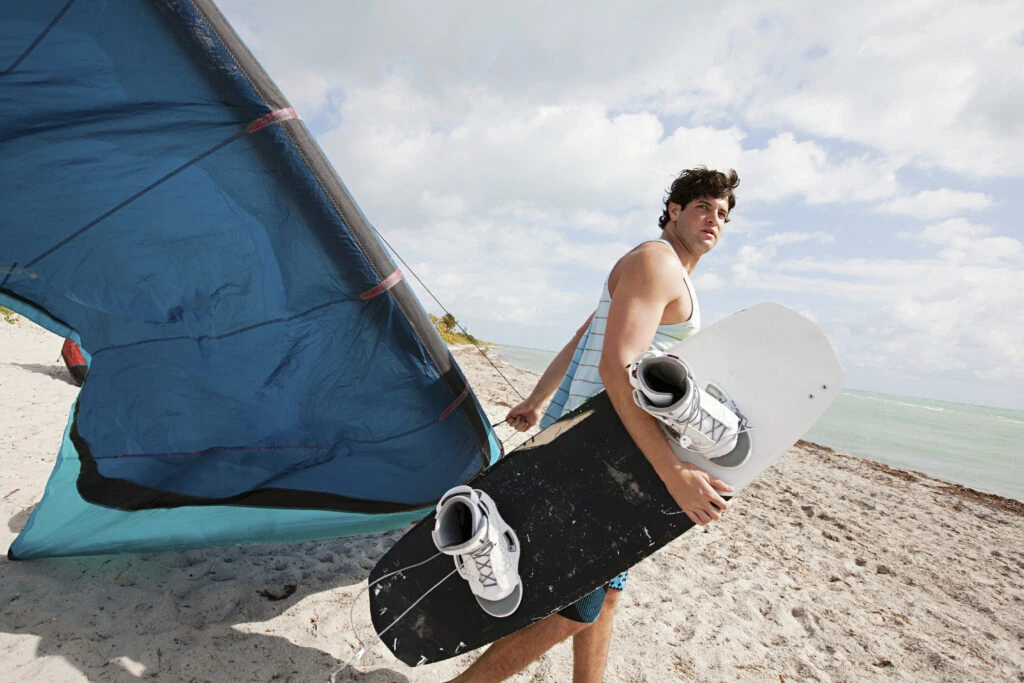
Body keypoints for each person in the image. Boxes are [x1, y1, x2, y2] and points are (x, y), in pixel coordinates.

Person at [449, 166, 741, 683]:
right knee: (571, 610)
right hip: (595, 450)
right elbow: (617, 366)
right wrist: (675, 472)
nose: (713, 218)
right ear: (674, 210)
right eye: (702, 206)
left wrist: (540, 400)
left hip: (602, 439)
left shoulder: (665, 270)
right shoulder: (658, 261)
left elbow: (588, 335)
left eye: (722, 212)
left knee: (606, 594)